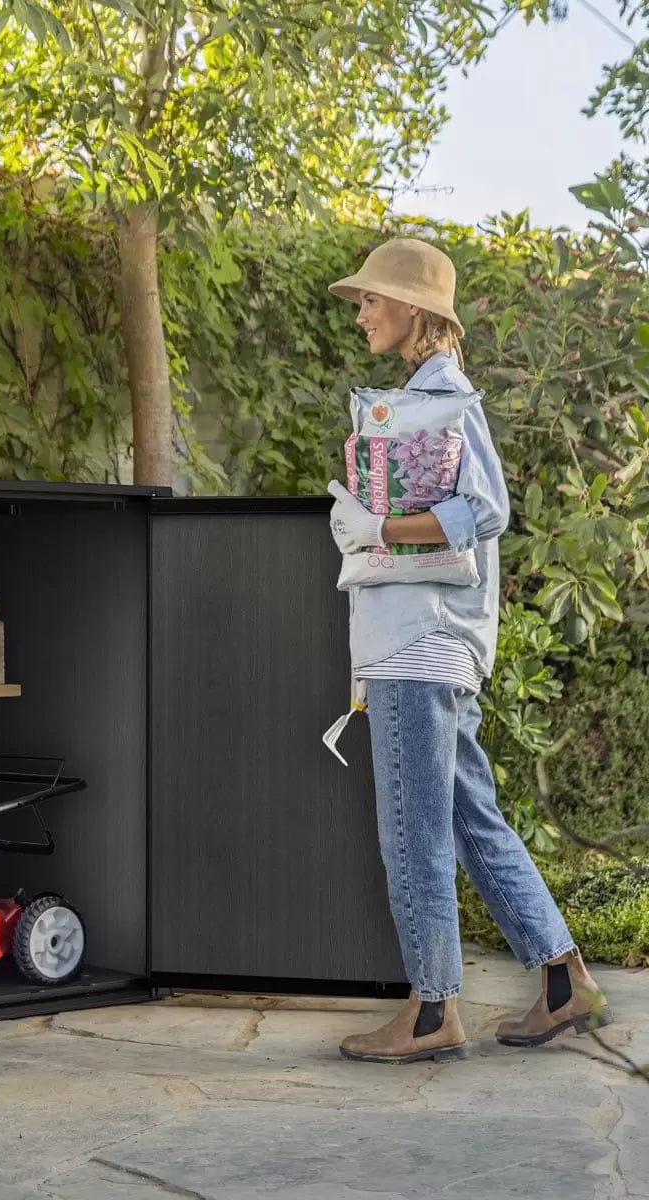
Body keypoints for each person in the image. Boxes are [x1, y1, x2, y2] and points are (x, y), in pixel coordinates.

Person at [323, 237, 611, 1064]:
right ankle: (563, 979)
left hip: (418, 646)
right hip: (432, 645)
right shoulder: (426, 395)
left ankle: (432, 1011)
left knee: (412, 834)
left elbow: (485, 510)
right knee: (467, 815)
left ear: (412, 307)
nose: (362, 313)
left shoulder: (439, 397)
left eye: (373, 299)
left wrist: (380, 530)